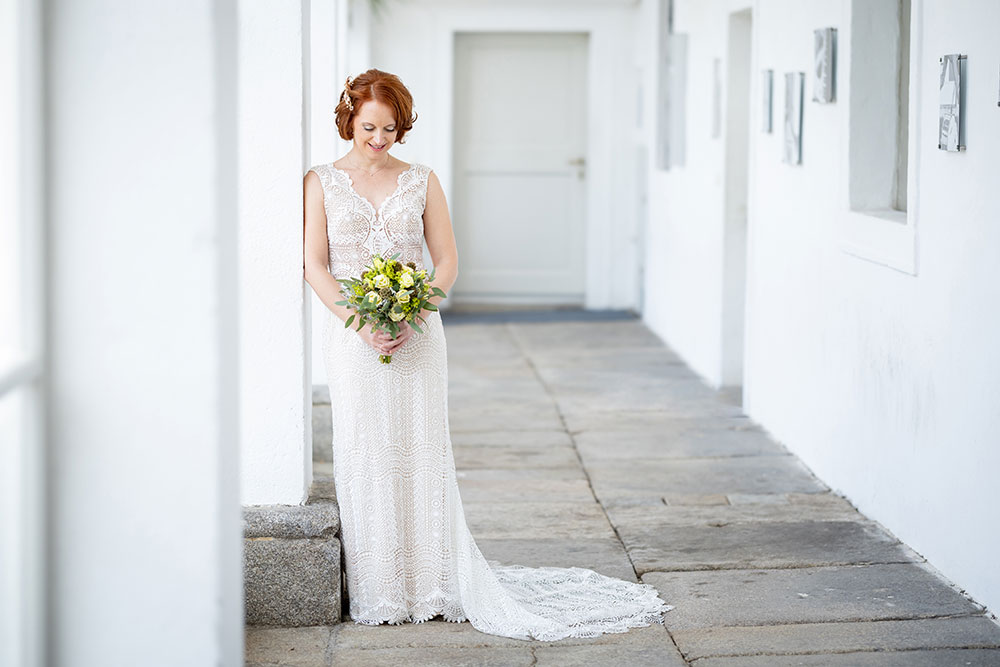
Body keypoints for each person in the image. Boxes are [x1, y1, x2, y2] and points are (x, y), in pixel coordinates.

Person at [302, 68, 671, 641]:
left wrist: (412, 311)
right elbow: (315, 266)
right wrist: (360, 322)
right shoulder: (319, 181)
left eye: (391, 128)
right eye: (369, 127)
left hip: (418, 333)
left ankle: (434, 583)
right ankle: (381, 588)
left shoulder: (421, 179)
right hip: (352, 338)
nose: (379, 139)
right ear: (348, 117)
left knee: (420, 450)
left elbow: (446, 260)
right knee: (365, 449)